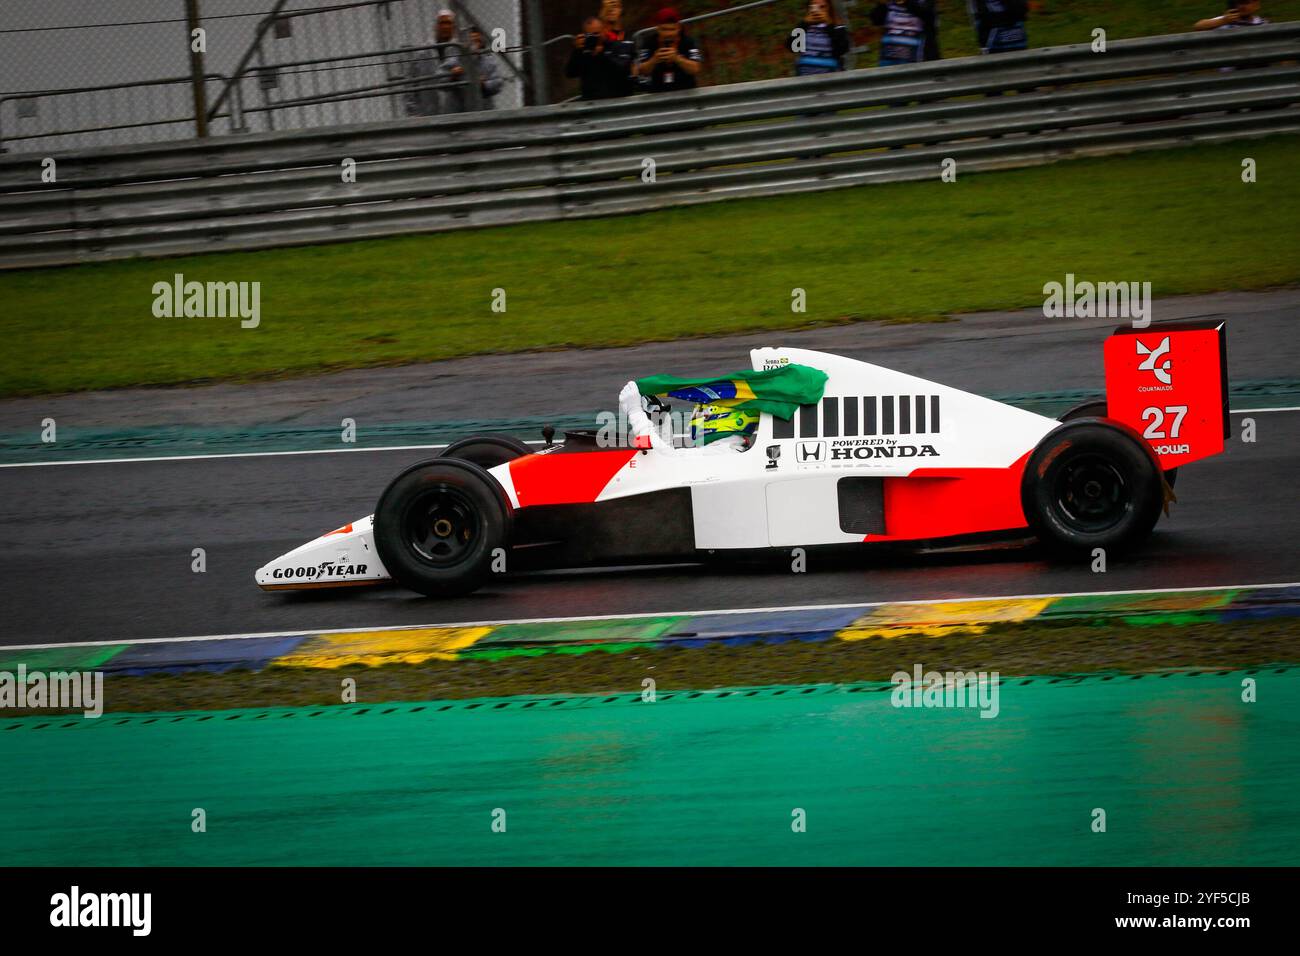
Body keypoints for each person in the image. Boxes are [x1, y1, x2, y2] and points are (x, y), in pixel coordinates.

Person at [634, 8, 703, 93]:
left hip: (686, 92)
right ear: (658, 28)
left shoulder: (688, 41)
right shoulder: (648, 43)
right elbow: (642, 71)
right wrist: (654, 60)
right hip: (657, 92)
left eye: (672, 29)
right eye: (664, 29)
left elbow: (696, 69)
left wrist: (677, 59)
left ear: (678, 28)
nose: (668, 34)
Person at [565, 16, 633, 99]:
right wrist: (577, 51)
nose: (595, 37)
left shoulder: (616, 46)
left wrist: (601, 55)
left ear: (604, 31)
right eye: (591, 35)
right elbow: (570, 73)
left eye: (597, 33)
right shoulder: (584, 52)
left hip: (617, 98)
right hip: (592, 101)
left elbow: (623, 70)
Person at [788, 0, 852, 76]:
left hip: (831, 74)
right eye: (814, 7)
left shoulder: (837, 26)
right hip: (805, 75)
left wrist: (829, 25)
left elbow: (842, 49)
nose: (818, 10)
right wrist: (804, 24)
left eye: (822, 7)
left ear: (829, 8)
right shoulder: (804, 26)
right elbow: (792, 47)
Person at [869, 0, 939, 66]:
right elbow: (876, 20)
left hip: (916, 59)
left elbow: (929, 18)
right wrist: (882, 4)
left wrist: (905, 2)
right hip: (889, 57)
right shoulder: (890, 3)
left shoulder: (924, 2)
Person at [1194, 0, 1269, 30]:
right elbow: (1198, 26)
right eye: (1239, 3)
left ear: (1256, 5)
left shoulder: (1263, 23)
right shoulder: (1226, 20)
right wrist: (1224, 21)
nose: (1241, 6)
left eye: (1245, 2)